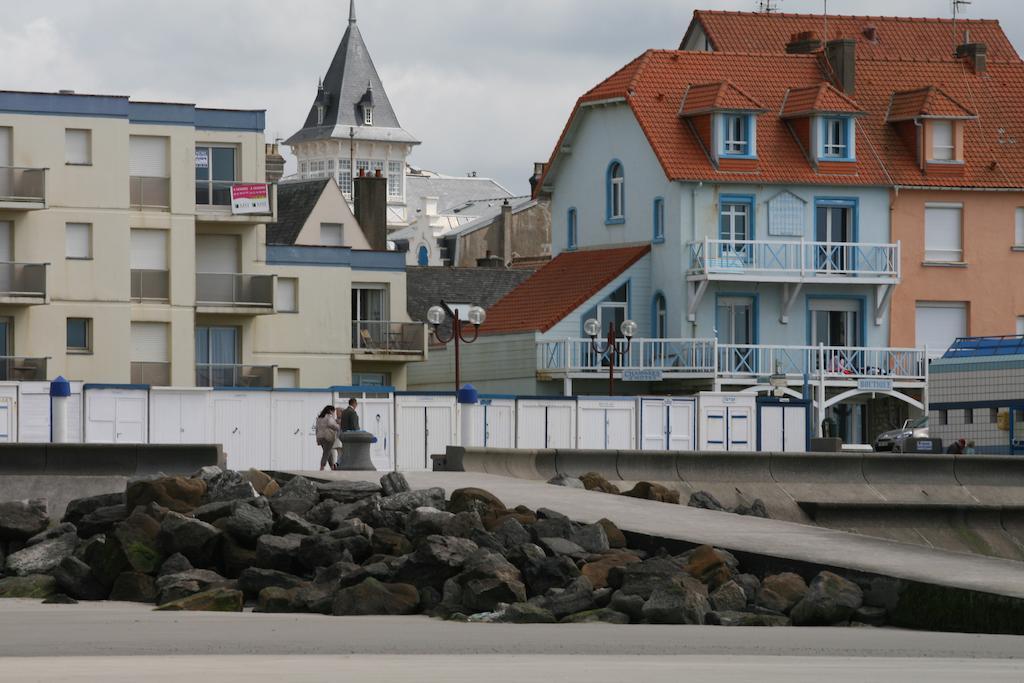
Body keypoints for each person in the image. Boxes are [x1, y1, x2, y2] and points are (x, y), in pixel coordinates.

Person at [315, 405, 340, 471]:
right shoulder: (329, 417)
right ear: (330, 411)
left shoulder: (319, 418)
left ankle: (332, 467)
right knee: (326, 452)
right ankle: (322, 467)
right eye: (333, 411)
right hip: (328, 437)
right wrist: (339, 426)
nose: (334, 413)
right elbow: (333, 425)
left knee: (328, 452)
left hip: (320, 437)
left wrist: (317, 438)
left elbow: (316, 429)